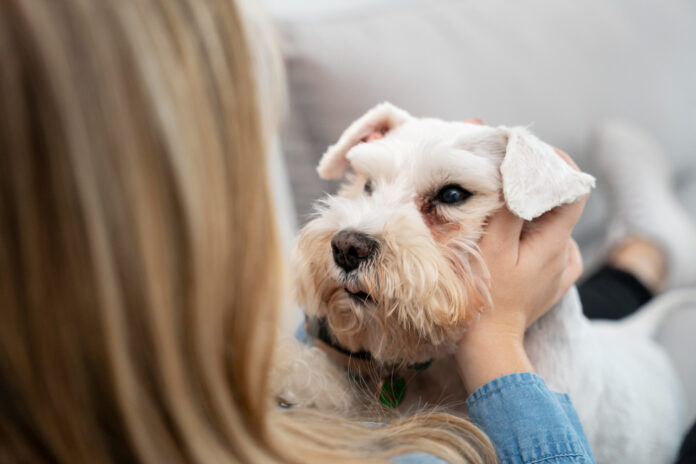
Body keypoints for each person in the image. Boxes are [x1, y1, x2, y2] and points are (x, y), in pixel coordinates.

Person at [0, 0, 687, 463]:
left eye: (446, 196)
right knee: (594, 300)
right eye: (363, 184)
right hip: (621, 351)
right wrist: (496, 338)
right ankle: (646, 251)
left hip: (615, 360)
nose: (356, 228)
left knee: (593, 300)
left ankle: (646, 250)